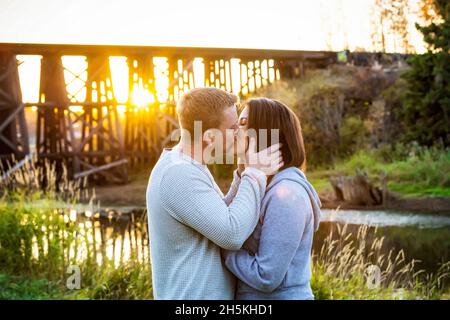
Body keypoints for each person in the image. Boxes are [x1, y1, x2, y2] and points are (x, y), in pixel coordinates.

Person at [146, 88, 283, 300]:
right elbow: (232, 234)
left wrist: (242, 172)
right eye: (232, 127)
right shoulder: (178, 174)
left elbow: (220, 215)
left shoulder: (188, 166)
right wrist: (255, 173)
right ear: (210, 137)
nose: (239, 132)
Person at [223, 97, 322, 300]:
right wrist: (245, 172)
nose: (234, 130)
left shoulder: (286, 195)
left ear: (264, 132)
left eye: (242, 123)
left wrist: (223, 249)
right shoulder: (258, 183)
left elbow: (266, 276)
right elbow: (223, 219)